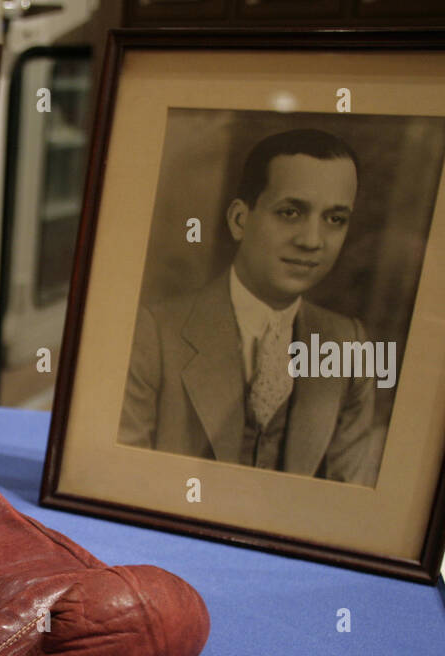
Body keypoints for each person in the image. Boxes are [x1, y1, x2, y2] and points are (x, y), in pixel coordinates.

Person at [118, 128, 379, 485]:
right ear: (240, 220)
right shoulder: (153, 333)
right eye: (290, 212)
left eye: (334, 219)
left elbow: (351, 498)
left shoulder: (350, 343)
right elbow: (121, 480)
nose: (312, 241)